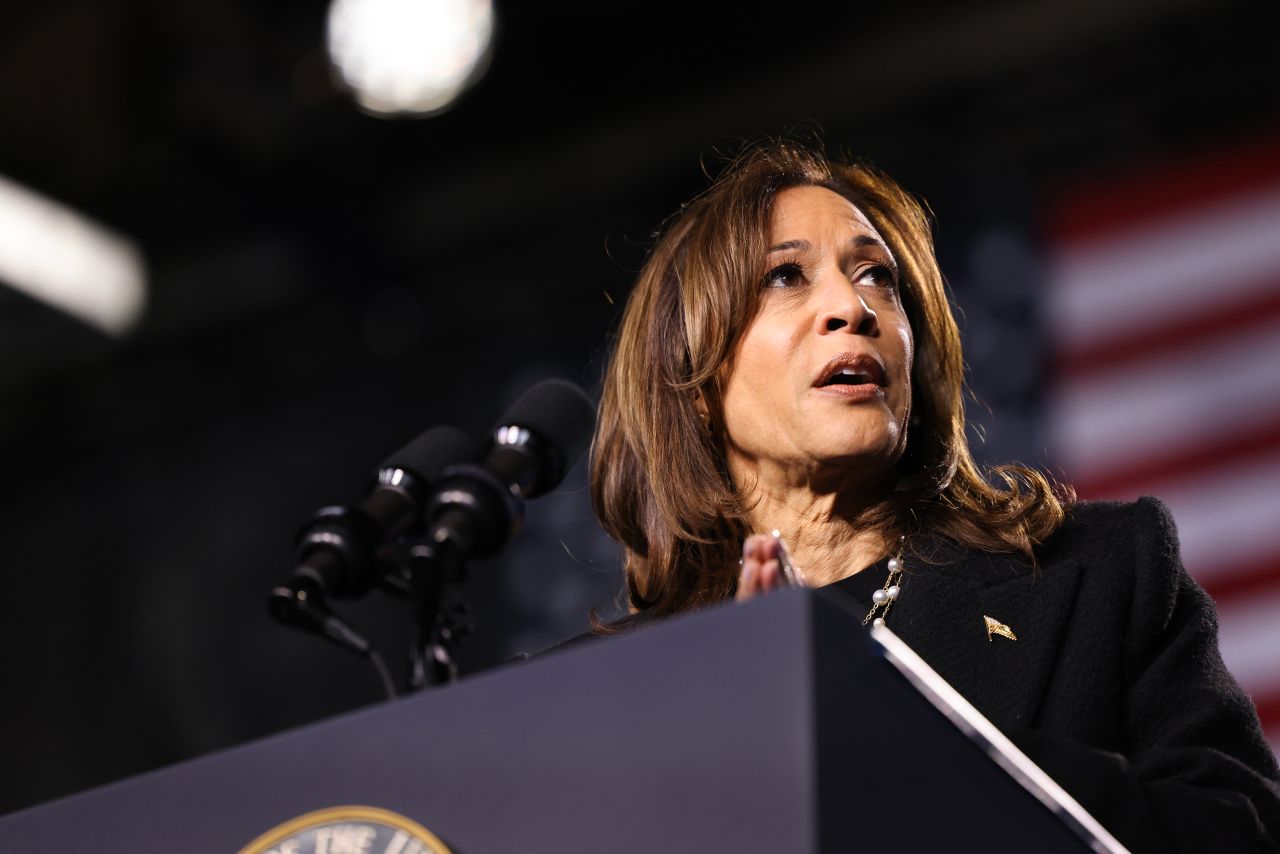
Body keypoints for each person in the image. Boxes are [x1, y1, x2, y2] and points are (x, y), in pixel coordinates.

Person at [586, 140, 1280, 851]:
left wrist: (921, 747)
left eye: (877, 277)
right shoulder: (602, 707)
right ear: (695, 381)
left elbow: (1237, 834)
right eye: (786, 276)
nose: (851, 308)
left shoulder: (1103, 573)